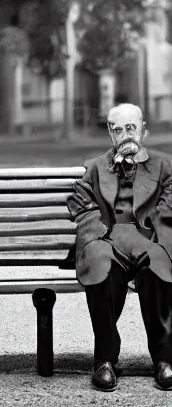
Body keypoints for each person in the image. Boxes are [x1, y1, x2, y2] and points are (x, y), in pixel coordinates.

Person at [67, 103, 172, 392]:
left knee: (158, 264)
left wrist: (155, 230)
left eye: (130, 128)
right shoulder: (96, 166)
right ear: (110, 135)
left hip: (148, 239)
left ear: (143, 129)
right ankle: (105, 361)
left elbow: (169, 206)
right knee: (98, 261)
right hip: (107, 240)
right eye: (117, 129)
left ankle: (165, 359)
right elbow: (79, 202)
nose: (125, 134)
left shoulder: (163, 166)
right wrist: (97, 231)